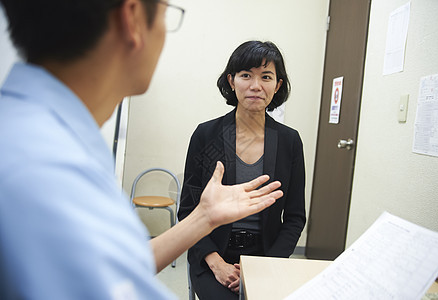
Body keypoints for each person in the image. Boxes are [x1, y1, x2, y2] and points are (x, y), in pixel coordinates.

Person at [0, 1, 284, 299]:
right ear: (132, 17)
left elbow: (110, 268)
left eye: (265, 77)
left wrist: (205, 218)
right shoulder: (46, 167)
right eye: (165, 14)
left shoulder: (36, 133)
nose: (255, 85)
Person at [178, 40, 306, 299]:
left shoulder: (289, 141)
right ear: (231, 81)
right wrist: (216, 263)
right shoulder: (206, 135)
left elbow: (294, 217)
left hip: (267, 256)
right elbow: (188, 211)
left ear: (278, 85)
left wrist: (266, 265)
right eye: (246, 75)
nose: (256, 85)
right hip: (213, 255)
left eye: (266, 77)